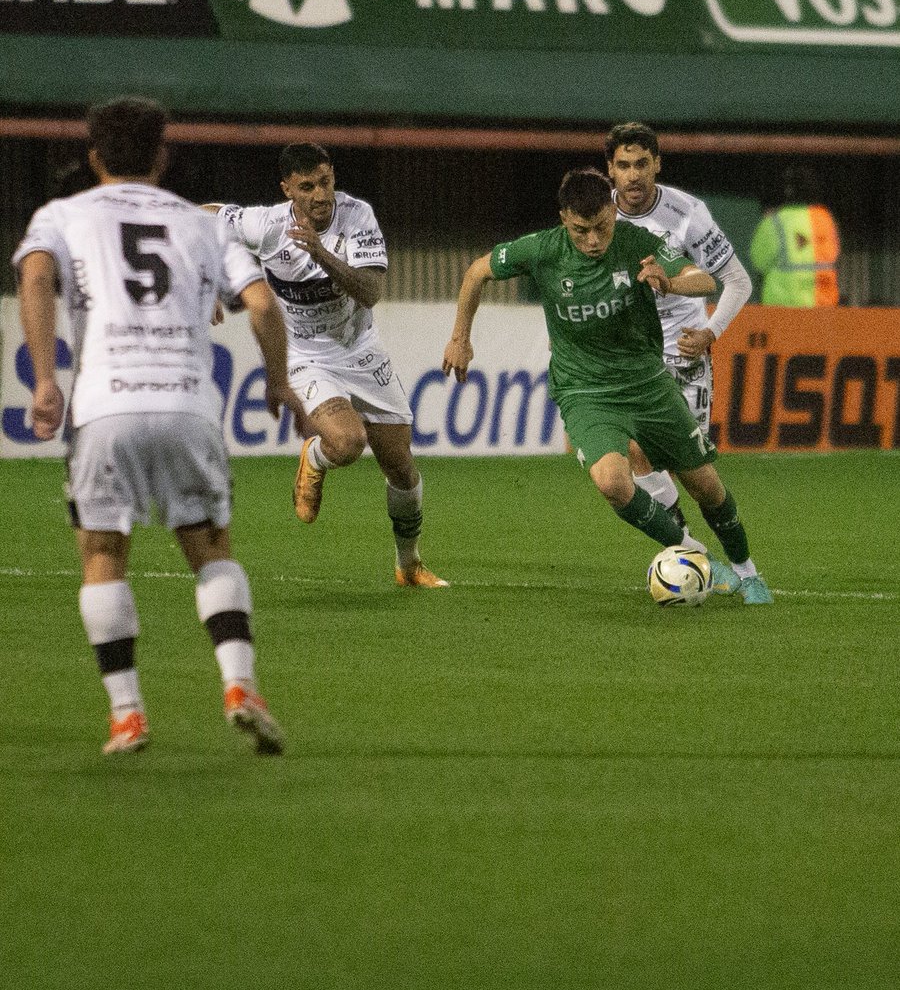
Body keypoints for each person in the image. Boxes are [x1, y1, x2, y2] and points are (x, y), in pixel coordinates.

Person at [13, 96, 303, 756]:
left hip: (105, 404)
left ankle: (127, 714)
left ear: (93, 157)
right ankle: (238, 685)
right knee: (210, 549)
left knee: (103, 552)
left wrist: (43, 379)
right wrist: (279, 380)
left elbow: (34, 277)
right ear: (162, 155)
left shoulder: (64, 213)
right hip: (186, 405)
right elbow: (261, 305)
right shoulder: (200, 224)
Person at [442, 167, 772, 605]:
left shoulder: (639, 245)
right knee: (613, 483)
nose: (594, 240)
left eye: (601, 227)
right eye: (581, 231)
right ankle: (698, 556)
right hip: (584, 392)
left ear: (614, 212)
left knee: (705, 485)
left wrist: (669, 281)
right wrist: (461, 338)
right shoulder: (541, 250)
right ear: (564, 219)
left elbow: (706, 279)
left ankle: (749, 573)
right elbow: (475, 273)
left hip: (647, 383)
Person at [204, 143, 447, 589]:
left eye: (326, 181)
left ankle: (408, 566)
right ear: (287, 190)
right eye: (306, 187)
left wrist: (320, 253)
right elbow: (203, 215)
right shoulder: (266, 224)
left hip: (360, 350)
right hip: (304, 354)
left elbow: (371, 291)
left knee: (402, 470)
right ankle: (314, 458)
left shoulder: (358, 218)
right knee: (347, 442)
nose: (320, 194)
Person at [605, 121, 753, 531]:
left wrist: (710, 332)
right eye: (623, 165)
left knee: (698, 480)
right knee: (637, 456)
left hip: (682, 356)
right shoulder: (597, 215)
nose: (633, 175)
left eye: (641, 164)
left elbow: (738, 281)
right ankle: (689, 552)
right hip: (631, 359)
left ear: (657, 165)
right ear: (610, 170)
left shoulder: (687, 213)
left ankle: (735, 559)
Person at [749, 165, 841, 306]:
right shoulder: (825, 219)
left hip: (783, 308)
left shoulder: (774, 221)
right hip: (823, 308)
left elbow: (758, 262)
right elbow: (835, 254)